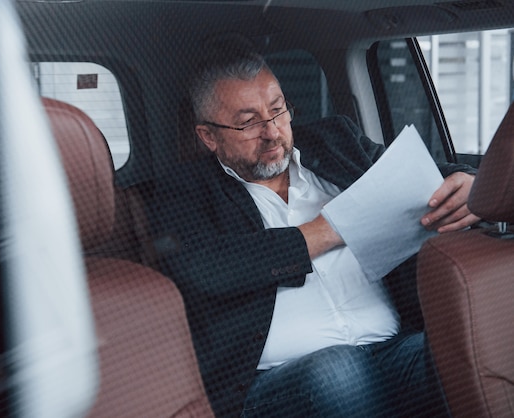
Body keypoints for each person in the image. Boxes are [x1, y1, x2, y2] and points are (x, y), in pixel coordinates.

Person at [149, 45, 479, 418]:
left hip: (389, 351)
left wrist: (470, 184)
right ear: (209, 136)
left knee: (460, 348)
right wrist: (331, 229)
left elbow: (421, 175)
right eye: (248, 122)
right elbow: (205, 268)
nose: (272, 131)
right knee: (338, 373)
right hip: (276, 383)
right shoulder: (186, 189)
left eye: (278, 110)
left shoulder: (336, 140)